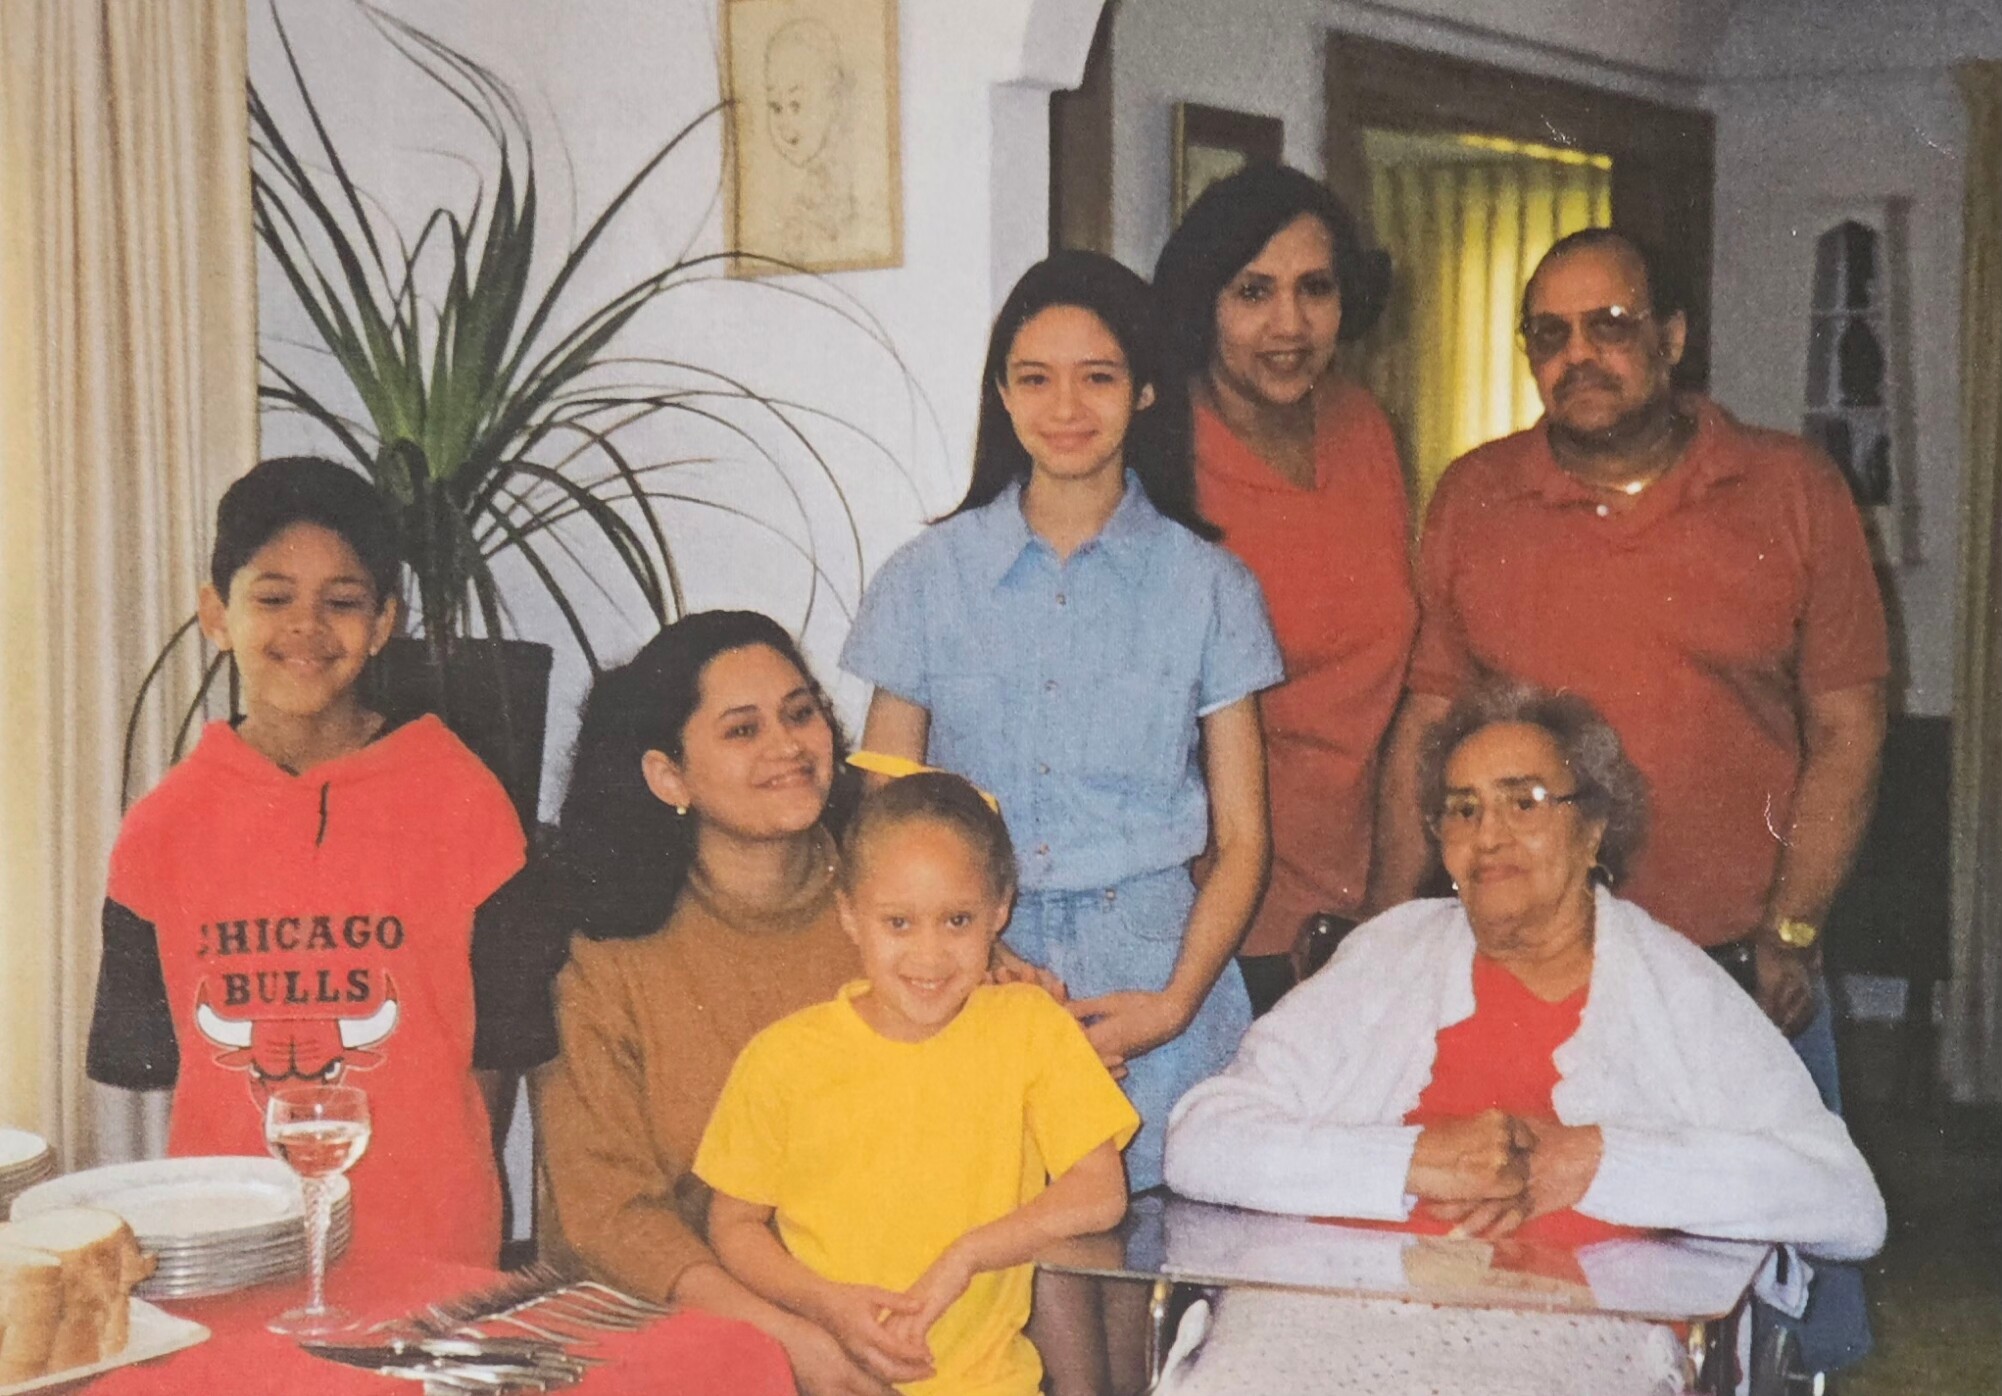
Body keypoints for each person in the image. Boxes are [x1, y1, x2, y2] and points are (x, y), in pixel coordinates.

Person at [1369, 227, 1888, 1374]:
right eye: (1548, 334)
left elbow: (1847, 728)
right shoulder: (1476, 496)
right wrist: (1384, 924)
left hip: (1739, 967)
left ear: (1671, 338)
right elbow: (1427, 726)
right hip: (1533, 975)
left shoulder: (1790, 490)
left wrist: (1792, 926)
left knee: (1786, 1301)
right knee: (1555, 1281)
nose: (1579, 355)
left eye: (1609, 326)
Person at [1165, 684, 1885, 1394]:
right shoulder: (1386, 957)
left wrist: (1594, 1161)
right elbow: (1201, 1139)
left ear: (1593, 829)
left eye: (1525, 801)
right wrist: (1411, 1160)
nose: (1490, 835)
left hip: (1573, 1331)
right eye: (1463, 809)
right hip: (1326, 1313)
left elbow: (1846, 1201)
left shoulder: (1676, 988)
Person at [86, 455, 557, 1268]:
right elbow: (147, 1059)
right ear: (216, 613)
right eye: (273, 598)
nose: (306, 627)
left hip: (425, 1253)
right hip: (235, 1249)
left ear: (382, 623)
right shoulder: (161, 828)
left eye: (342, 602)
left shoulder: (466, 802)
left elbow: (502, 1052)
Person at [533, 610, 912, 1396]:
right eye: (743, 730)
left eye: (800, 713)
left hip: (896, 1316)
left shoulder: (898, 906)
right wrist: (785, 1338)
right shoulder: (610, 959)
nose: (788, 746)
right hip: (679, 1341)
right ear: (668, 777)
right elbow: (608, 1219)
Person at [697, 772, 1139, 1396]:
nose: (928, 956)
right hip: (838, 1382)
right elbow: (734, 1225)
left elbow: (1100, 1192)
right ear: (850, 914)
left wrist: (966, 1257)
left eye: (957, 920)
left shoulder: (1029, 1027)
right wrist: (823, 1303)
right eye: (898, 923)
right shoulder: (783, 1057)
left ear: (1000, 911)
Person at [1154, 164, 1414, 1014]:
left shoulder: (1364, 426)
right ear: (1204, 301)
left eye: (1315, 289)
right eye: (1253, 292)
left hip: (1373, 898)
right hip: (1224, 923)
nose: (1290, 325)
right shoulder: (1160, 458)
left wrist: (1394, 893)